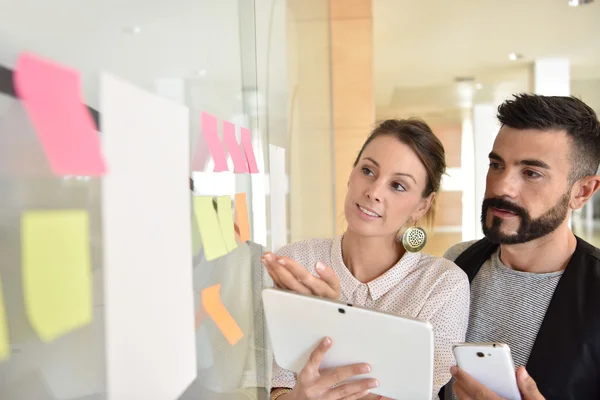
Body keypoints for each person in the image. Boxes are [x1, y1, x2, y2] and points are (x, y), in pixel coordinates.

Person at [262, 119, 471, 400]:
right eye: (368, 171)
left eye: (398, 186)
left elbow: (410, 391)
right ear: (352, 174)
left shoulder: (442, 284)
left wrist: (331, 317)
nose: (374, 192)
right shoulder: (298, 261)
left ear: (422, 205)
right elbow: (275, 384)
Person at [443, 94, 600, 400]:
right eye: (496, 165)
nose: (502, 187)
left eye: (531, 173)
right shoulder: (457, 263)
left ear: (582, 192)